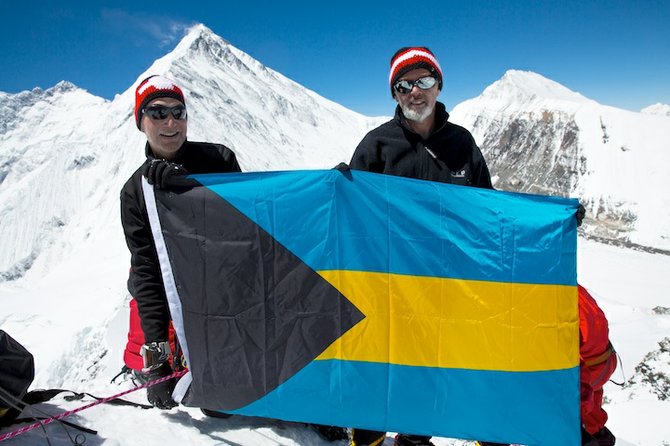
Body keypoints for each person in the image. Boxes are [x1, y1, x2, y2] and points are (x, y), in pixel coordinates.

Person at [346, 46, 493, 446]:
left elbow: (487, 207)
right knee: (382, 364)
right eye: (404, 84)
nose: (415, 91)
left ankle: (414, 438)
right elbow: (353, 217)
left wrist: (549, 221)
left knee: (433, 365)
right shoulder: (376, 145)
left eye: (424, 81)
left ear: (439, 85)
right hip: (390, 285)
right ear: (394, 94)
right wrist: (338, 189)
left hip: (447, 284)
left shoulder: (462, 143)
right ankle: (369, 436)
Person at [120, 74, 241, 409]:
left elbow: (243, 233)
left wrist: (189, 187)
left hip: (225, 299)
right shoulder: (135, 193)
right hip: (177, 303)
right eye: (158, 113)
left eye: (179, 112)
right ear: (140, 121)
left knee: (220, 409)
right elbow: (146, 273)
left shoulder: (219, 160)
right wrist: (157, 357)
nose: (170, 122)